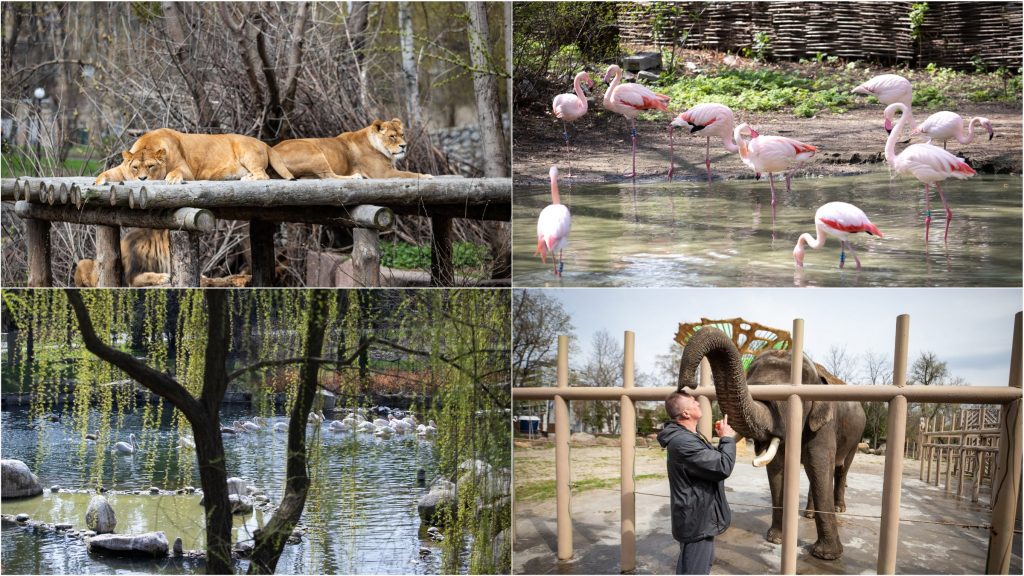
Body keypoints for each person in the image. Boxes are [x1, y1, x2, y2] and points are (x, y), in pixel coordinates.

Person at [657, 390, 736, 575]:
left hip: (700, 515)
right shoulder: (683, 442)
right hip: (697, 519)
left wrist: (722, 441)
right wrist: (726, 439)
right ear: (685, 413)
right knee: (695, 570)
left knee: (696, 566)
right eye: (694, 402)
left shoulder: (690, 437)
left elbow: (708, 461)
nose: (699, 404)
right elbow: (722, 466)